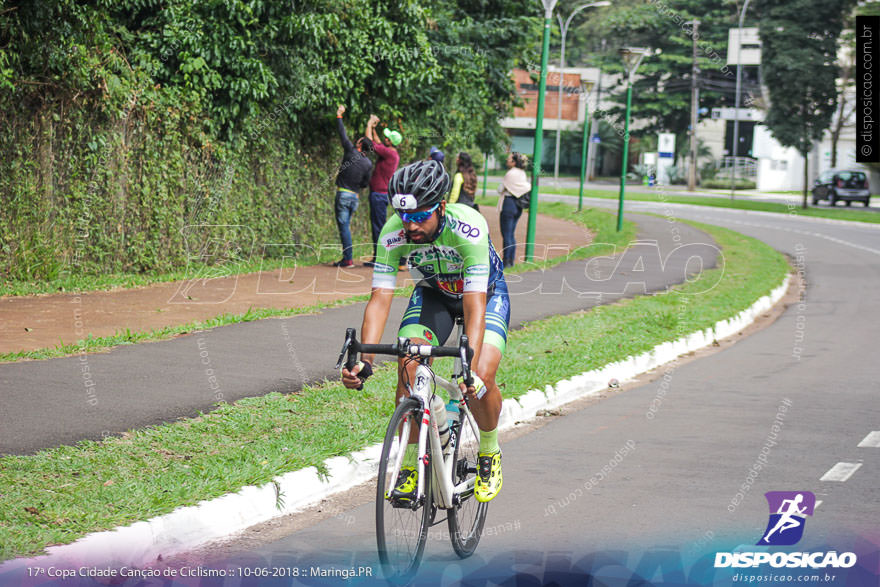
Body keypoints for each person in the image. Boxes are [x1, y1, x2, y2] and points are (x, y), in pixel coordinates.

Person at [341, 160, 508, 503]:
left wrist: (468, 365)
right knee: (409, 363)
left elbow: (474, 306)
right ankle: (410, 466)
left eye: (420, 217)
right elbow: (380, 299)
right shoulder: (393, 233)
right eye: (405, 217)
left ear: (441, 207)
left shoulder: (468, 228)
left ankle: (489, 450)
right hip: (434, 295)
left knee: (480, 375)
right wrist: (366, 360)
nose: (411, 226)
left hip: (484, 297)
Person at [332, 105, 373, 268]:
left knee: (344, 229)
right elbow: (365, 183)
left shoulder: (350, 152)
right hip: (354, 197)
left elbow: (342, 134)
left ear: (359, 144)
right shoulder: (368, 163)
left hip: (343, 195)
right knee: (345, 227)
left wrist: (339, 116)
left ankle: (348, 259)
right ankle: (346, 256)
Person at [364, 115, 402, 266]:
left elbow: (370, 143)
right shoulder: (391, 152)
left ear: (390, 142)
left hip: (379, 195)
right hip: (381, 194)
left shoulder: (389, 153)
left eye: (387, 138)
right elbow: (378, 142)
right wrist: (373, 128)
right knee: (378, 225)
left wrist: (368, 124)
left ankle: (380, 258)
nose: (384, 139)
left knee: (378, 227)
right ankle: (378, 257)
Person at [498, 152, 531, 268]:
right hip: (518, 206)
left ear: (514, 162)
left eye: (509, 159)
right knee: (511, 234)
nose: (507, 161)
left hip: (508, 204)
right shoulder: (522, 173)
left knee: (506, 234)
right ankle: (511, 260)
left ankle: (506, 261)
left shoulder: (510, 174)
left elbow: (500, 189)